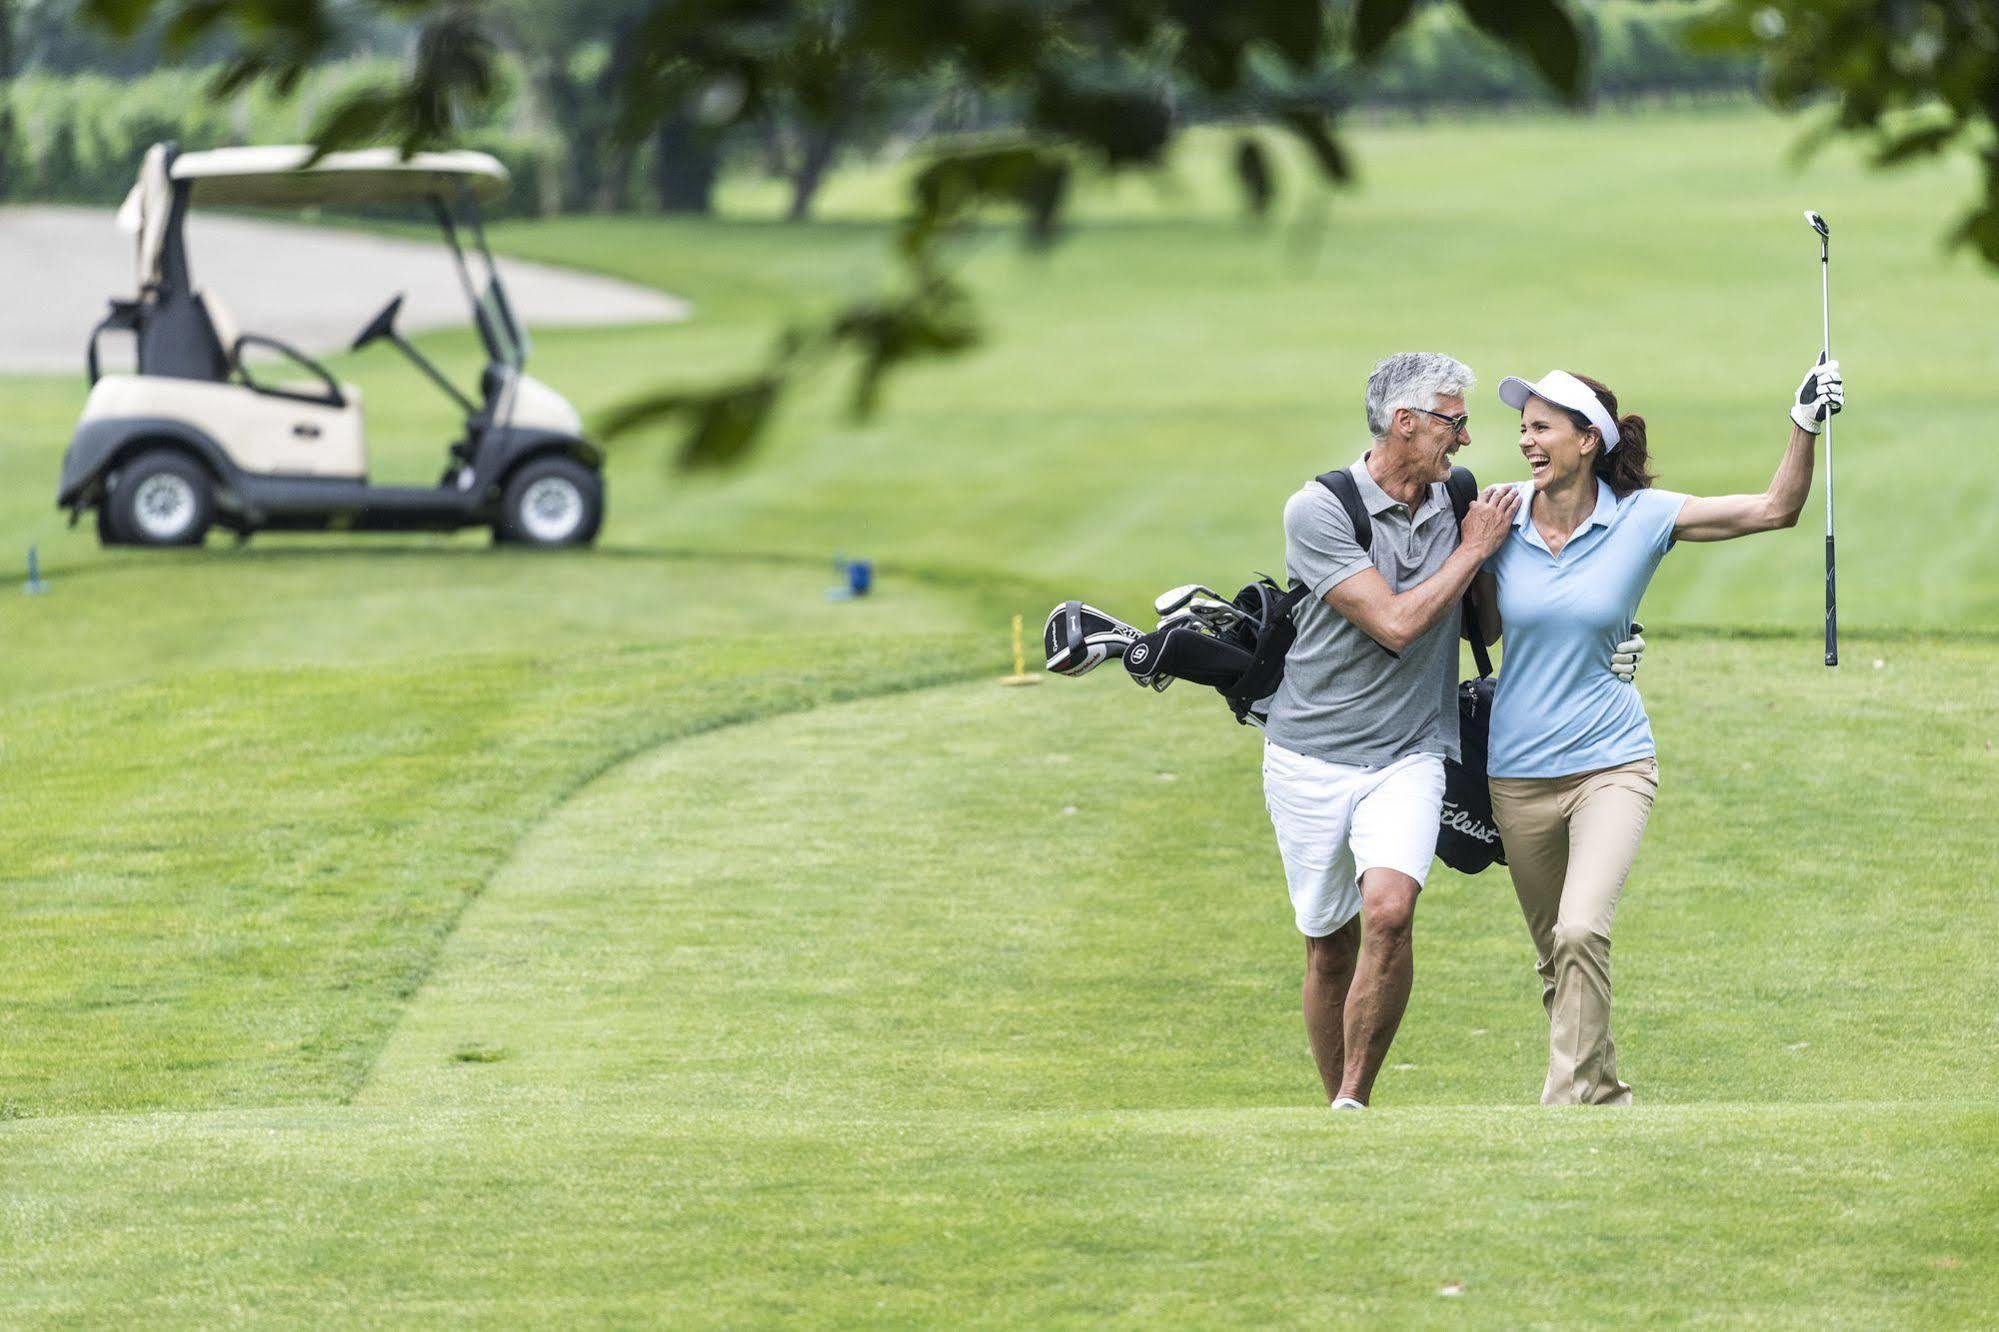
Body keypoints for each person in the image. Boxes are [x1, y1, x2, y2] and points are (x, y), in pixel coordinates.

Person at [1480, 358, 1843, 1105]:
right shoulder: (1493, 514)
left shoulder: (1641, 517)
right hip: (1514, 772)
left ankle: (1566, 1110)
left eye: (1542, 427)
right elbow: (1458, 607)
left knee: (1581, 932)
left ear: (1588, 440)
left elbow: (1774, 509)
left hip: (1610, 763)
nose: (1526, 440)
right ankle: (1605, 1094)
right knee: (1555, 958)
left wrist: (1801, 425)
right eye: (1521, 428)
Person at [1261, 351, 1527, 1110]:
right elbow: (1397, 625)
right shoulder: (1317, 509)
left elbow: (1487, 625)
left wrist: (1495, 564)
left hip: (1412, 750)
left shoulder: (1460, 498)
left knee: (1389, 912)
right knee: (1328, 941)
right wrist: (1474, 548)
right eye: (1454, 422)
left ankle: (1354, 1101)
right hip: (1308, 752)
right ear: (1404, 424)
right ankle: (1333, 1102)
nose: (1466, 440)